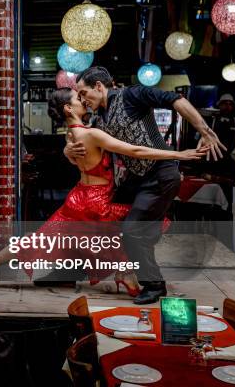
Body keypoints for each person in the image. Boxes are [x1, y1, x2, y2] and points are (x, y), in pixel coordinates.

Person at [0, 88, 207, 293]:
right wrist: (178, 154)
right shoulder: (92, 134)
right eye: (78, 99)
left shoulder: (70, 135)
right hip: (98, 202)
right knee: (138, 225)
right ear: (68, 109)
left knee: (35, 239)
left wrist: (68, 153)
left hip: (77, 198)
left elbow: (76, 154)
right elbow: (135, 151)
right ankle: (126, 274)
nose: (83, 101)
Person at [67, 66, 224, 304]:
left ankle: (154, 285)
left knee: (132, 230)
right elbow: (81, 139)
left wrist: (205, 130)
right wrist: (67, 149)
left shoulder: (131, 95)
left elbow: (176, 99)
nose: (82, 99)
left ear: (99, 87)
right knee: (102, 216)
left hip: (161, 174)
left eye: (84, 92)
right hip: (137, 179)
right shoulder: (99, 118)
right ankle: (113, 268)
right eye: (78, 96)